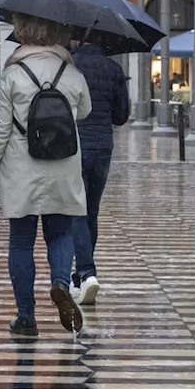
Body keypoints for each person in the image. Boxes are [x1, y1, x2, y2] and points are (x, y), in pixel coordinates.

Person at [0, 14, 91, 337]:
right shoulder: (72, 73)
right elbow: (85, 112)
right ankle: (59, 282)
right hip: (63, 166)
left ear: (23, 32)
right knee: (60, 233)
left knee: (22, 241)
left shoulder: (12, 75)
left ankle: (26, 316)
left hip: (21, 170)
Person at [69, 41, 130, 305]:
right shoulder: (113, 68)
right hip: (103, 146)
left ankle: (85, 273)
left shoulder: (69, 66)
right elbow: (121, 115)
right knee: (91, 212)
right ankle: (83, 275)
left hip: (74, 146)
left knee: (75, 212)